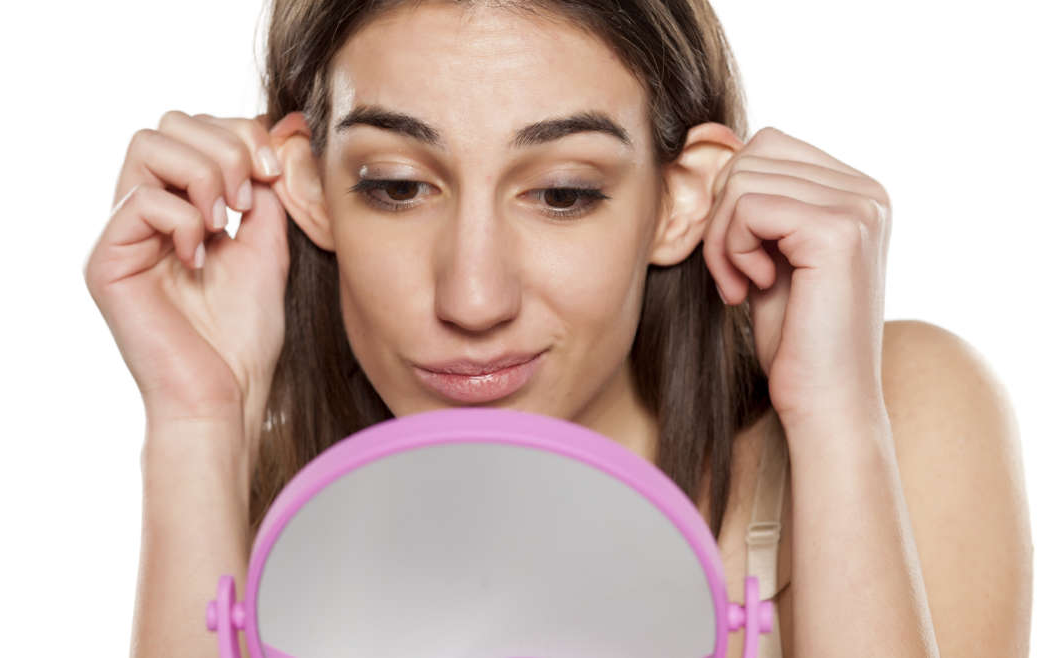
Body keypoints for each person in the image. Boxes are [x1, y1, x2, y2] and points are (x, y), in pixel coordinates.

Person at [84, 1, 1032, 657]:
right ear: (310, 187)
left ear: (679, 200)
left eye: (565, 194)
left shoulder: (900, 415)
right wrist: (195, 423)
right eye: (398, 187)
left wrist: (830, 418)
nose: (474, 295)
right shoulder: (269, 515)